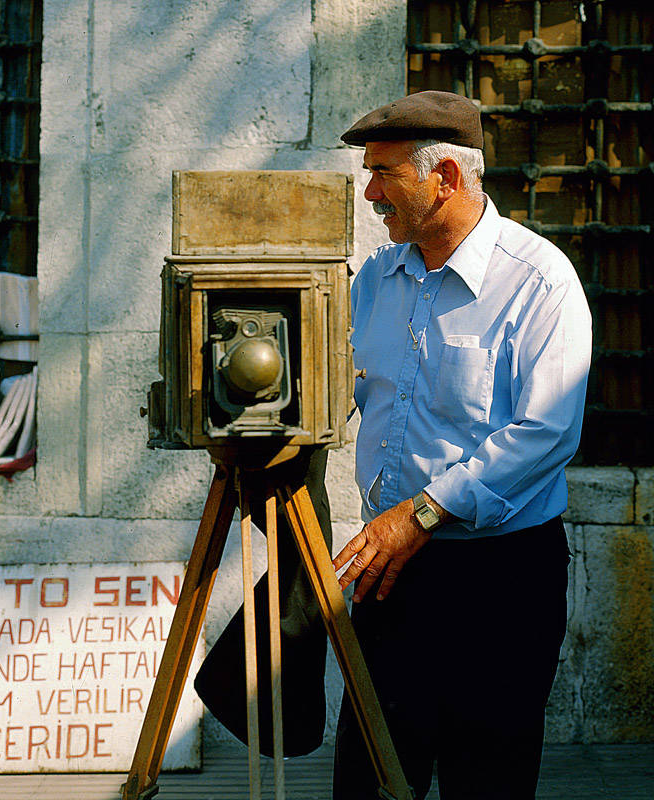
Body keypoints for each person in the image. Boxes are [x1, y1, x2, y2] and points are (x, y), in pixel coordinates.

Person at [331, 91, 592, 800]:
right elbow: (354, 396)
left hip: (499, 580)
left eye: (385, 172)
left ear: (445, 176)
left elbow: (546, 433)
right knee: (373, 777)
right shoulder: (377, 280)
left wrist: (421, 513)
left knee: (488, 778)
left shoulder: (540, 281)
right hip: (390, 575)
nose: (370, 191)